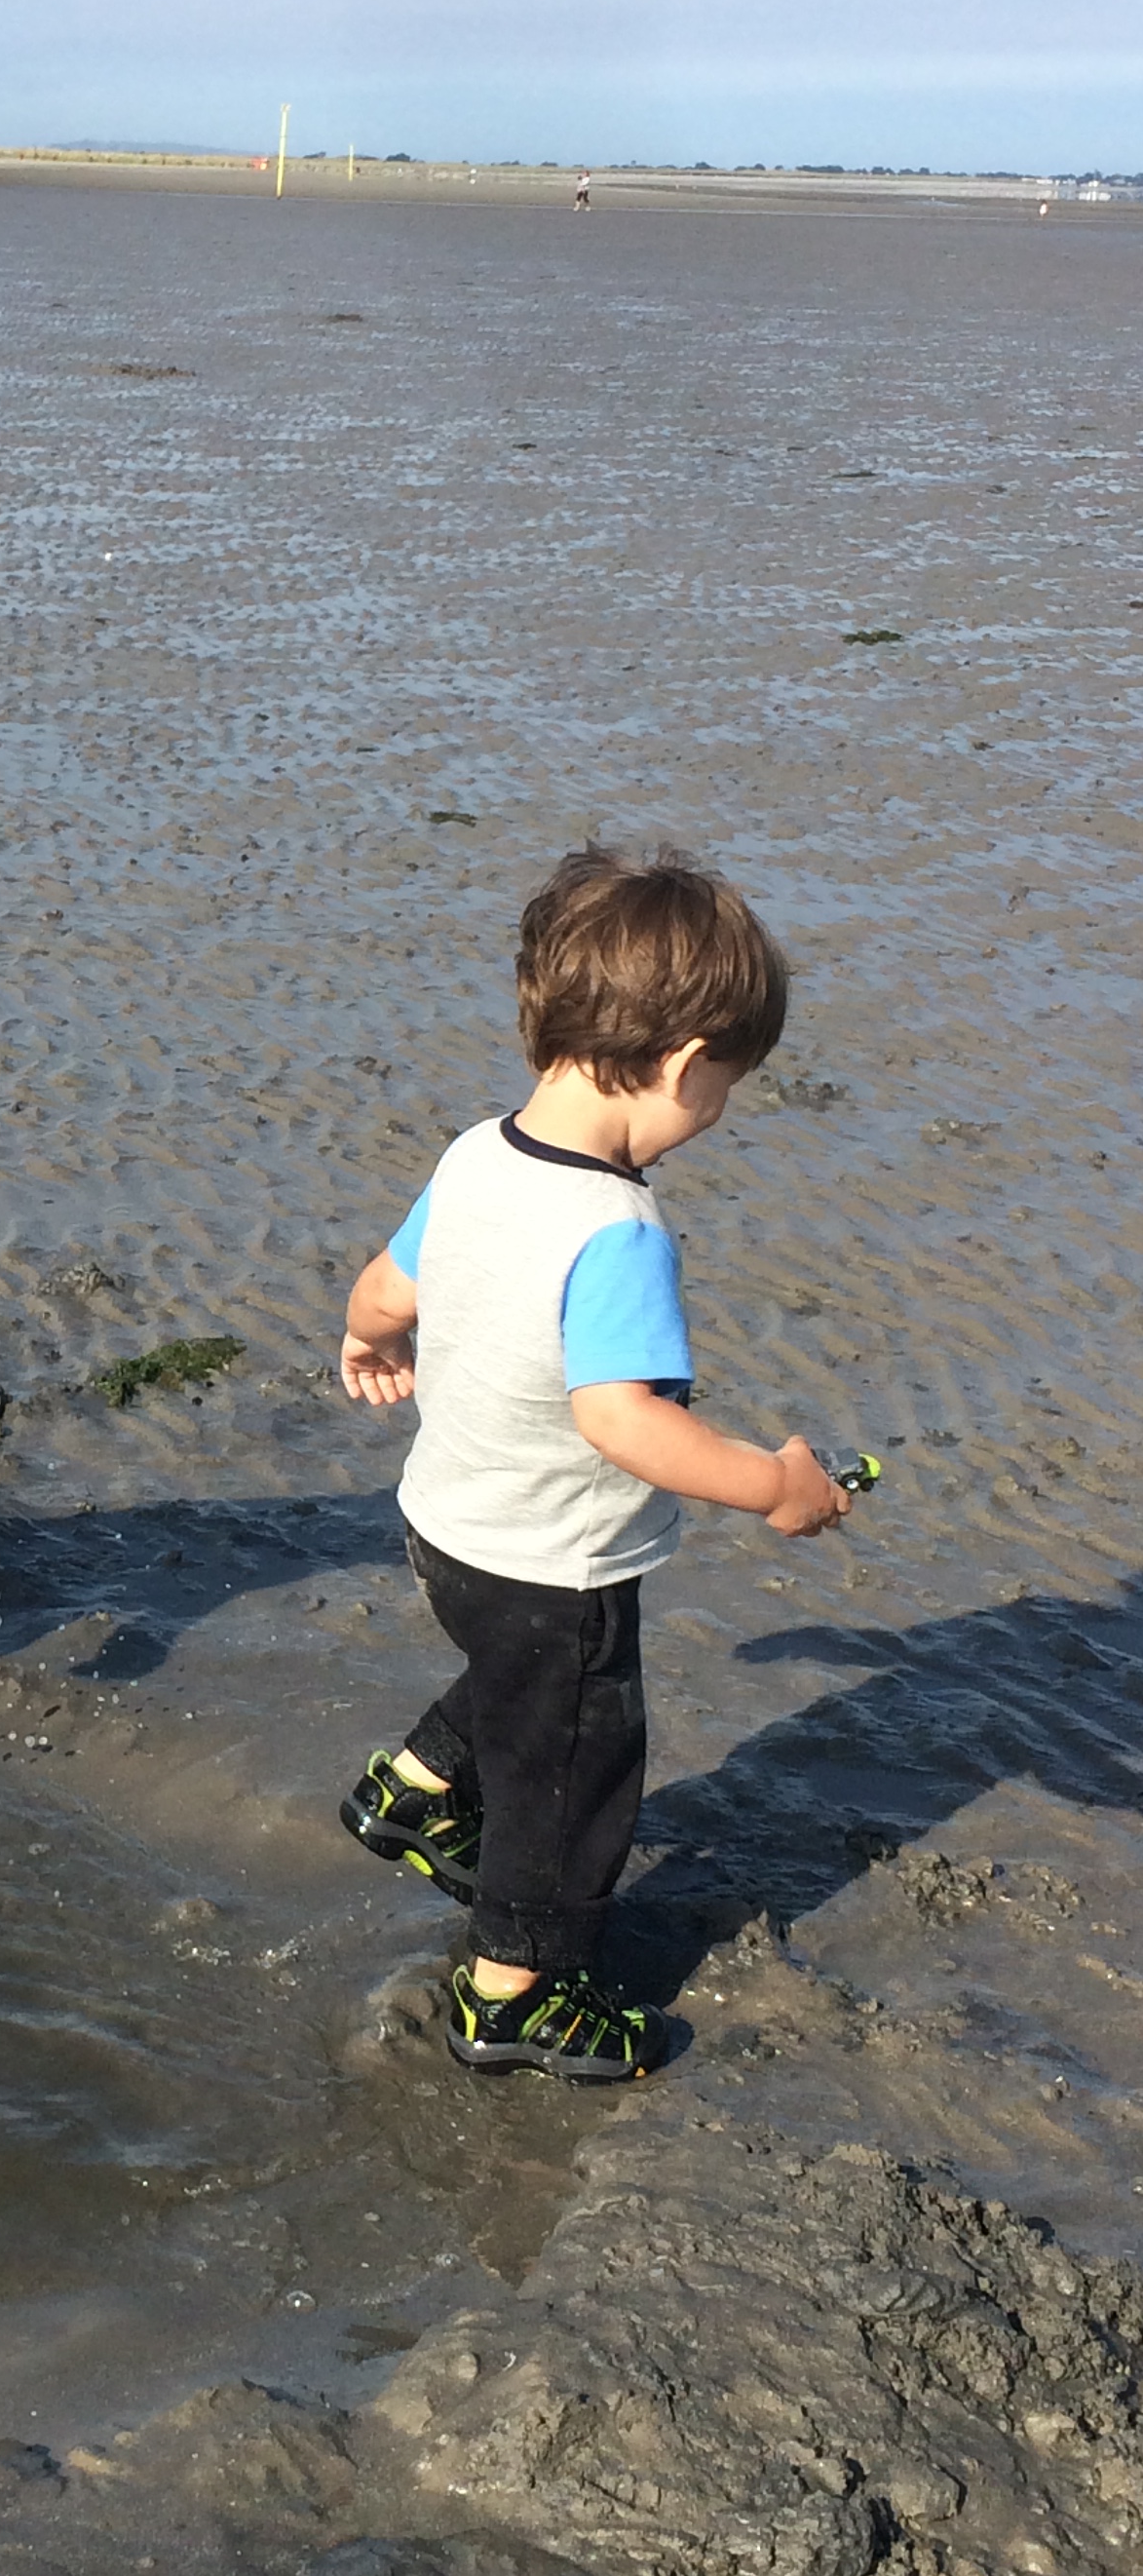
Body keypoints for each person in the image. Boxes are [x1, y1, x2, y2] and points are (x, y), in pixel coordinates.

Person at [334, 845, 850, 2083]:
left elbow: (387, 1285)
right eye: (722, 1092)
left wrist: (369, 1340)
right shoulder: (618, 1230)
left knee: (519, 1685)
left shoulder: (476, 1152)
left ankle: (414, 1792)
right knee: (573, 1766)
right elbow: (623, 1423)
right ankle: (513, 1993)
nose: (710, 1119)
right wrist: (774, 1485)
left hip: (446, 1526)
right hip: (552, 1562)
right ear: (682, 1064)